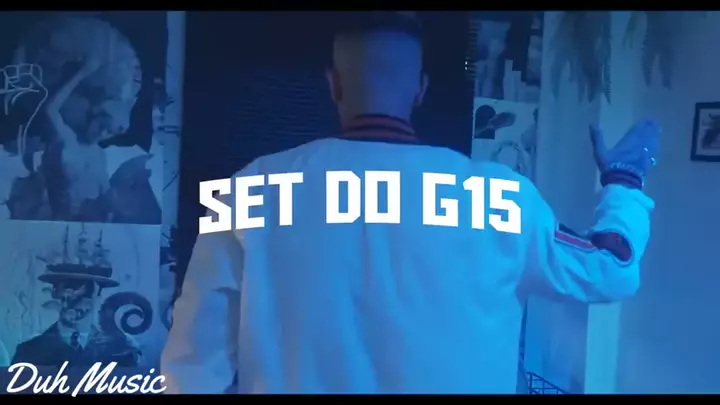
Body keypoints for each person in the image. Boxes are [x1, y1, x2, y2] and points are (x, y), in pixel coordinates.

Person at [161, 13, 659, 394]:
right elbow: (611, 269)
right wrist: (623, 182)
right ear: (420, 90)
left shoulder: (250, 189)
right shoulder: (502, 197)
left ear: (333, 85)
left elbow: (192, 365)